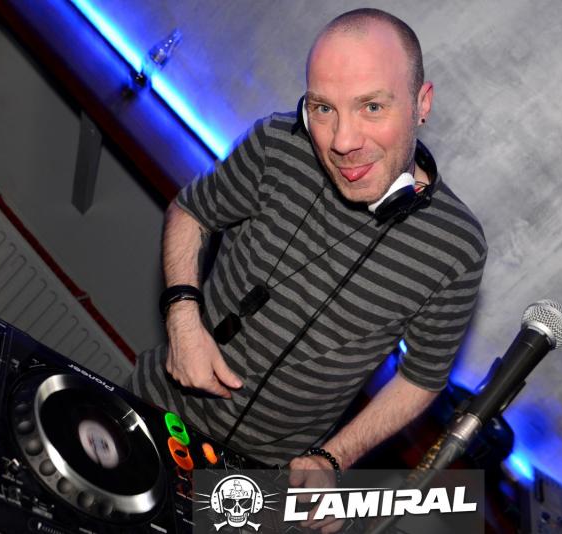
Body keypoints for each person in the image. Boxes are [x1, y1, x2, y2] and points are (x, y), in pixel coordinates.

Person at [129, 7, 486, 490]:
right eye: (323, 109)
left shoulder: (456, 247)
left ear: (421, 103)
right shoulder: (275, 145)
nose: (342, 141)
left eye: (372, 107)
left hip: (259, 483)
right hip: (153, 410)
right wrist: (182, 317)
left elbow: (421, 378)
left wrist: (334, 457)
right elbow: (191, 212)